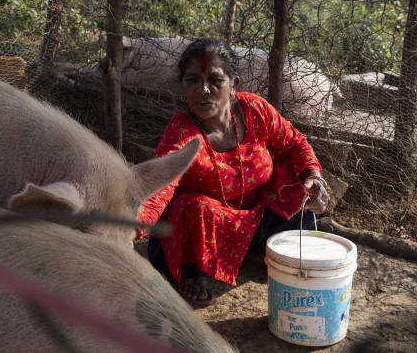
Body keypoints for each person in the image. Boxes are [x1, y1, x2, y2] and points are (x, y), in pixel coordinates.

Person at [136, 38, 329, 307]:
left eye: (215, 80)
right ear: (182, 86)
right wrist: (135, 223)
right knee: (195, 205)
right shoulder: (182, 132)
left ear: (234, 85)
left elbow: (294, 142)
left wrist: (313, 177)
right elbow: (160, 185)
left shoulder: (255, 110)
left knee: (298, 185)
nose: (203, 90)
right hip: (209, 226)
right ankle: (195, 274)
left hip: (256, 214)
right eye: (192, 80)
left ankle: (253, 250)